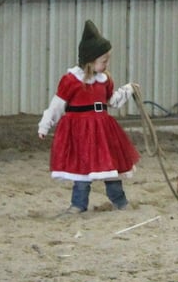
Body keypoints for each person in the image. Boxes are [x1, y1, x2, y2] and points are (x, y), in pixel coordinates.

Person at [38, 20, 140, 214]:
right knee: (82, 169)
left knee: (111, 168)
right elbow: (57, 105)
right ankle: (78, 204)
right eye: (103, 61)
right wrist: (45, 125)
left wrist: (128, 90)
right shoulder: (70, 80)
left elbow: (112, 101)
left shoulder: (105, 80)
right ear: (90, 61)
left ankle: (120, 201)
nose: (106, 65)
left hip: (103, 130)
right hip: (80, 131)